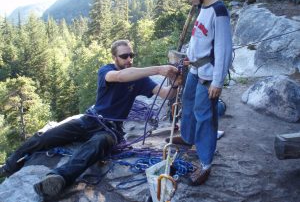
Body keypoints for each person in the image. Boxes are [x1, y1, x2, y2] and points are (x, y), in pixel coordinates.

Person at [0, 39, 180, 199]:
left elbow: (166, 94)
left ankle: (59, 178)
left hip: (111, 129)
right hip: (90, 120)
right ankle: (9, 166)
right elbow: (118, 77)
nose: (129, 59)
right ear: (114, 58)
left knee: (95, 146)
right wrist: (158, 69)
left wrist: (176, 83)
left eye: (131, 55)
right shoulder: (106, 70)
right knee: (45, 136)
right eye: (124, 56)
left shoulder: (140, 80)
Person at [175, 0, 232, 186]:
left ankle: (205, 163)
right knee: (187, 105)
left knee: (204, 116)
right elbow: (199, 37)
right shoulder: (203, 7)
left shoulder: (219, 11)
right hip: (195, 69)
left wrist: (217, 82)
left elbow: (223, 49)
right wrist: (190, 56)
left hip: (208, 76)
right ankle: (188, 137)